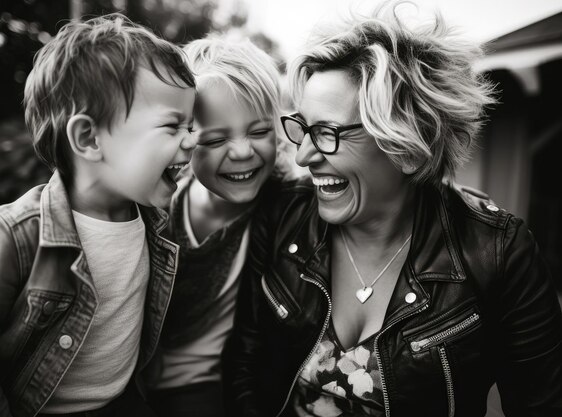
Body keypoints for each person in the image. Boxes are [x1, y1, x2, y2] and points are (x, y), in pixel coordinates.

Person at [224, 3, 562, 417]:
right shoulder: (282, 216)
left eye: (327, 133)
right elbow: (244, 368)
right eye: (303, 129)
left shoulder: (499, 253)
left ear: (404, 142)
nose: (303, 157)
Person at [0, 14, 196, 417]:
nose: (192, 140)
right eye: (173, 125)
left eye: (191, 125)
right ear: (89, 139)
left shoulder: (154, 225)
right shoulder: (20, 233)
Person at [144, 35, 291, 417]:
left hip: (207, 387)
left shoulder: (288, 208)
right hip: (131, 381)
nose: (242, 152)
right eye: (215, 138)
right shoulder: (155, 204)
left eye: (259, 132)